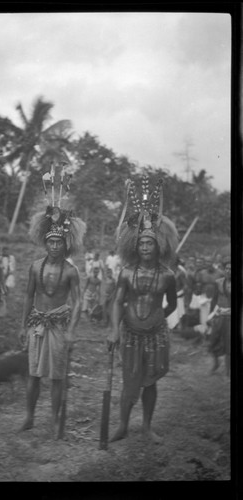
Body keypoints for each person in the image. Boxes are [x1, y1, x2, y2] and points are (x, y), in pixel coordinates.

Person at [107, 174, 178, 443]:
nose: (146, 247)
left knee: (151, 382)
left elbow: (171, 303)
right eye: (142, 243)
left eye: (150, 243)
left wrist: (159, 320)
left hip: (156, 335)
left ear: (158, 246)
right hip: (131, 335)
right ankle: (123, 425)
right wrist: (114, 329)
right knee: (129, 382)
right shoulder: (126, 272)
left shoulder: (168, 275)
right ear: (136, 246)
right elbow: (117, 301)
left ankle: (147, 427)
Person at [18, 169, 86, 438]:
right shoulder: (35, 267)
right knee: (33, 374)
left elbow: (79, 300)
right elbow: (27, 296)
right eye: (51, 241)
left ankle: (56, 420)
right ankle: (30, 417)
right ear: (45, 243)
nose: (55, 245)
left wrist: (71, 331)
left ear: (65, 244)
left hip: (58, 323)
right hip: (37, 322)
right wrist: (23, 326)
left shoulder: (71, 271)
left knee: (58, 376)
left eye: (59, 241)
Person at [207, 255, 231, 376]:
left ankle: (228, 371)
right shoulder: (219, 282)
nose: (228, 271)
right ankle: (216, 363)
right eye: (227, 268)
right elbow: (214, 300)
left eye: (231, 269)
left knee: (229, 344)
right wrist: (210, 316)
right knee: (213, 341)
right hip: (219, 316)